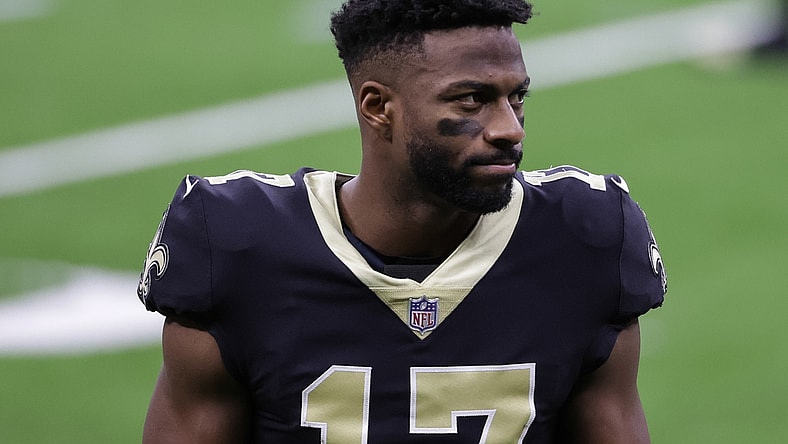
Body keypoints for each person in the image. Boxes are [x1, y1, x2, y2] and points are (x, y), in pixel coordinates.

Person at [137, 0, 667, 442]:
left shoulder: (586, 238)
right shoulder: (234, 246)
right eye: (472, 100)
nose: (510, 128)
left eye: (517, 97)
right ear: (377, 107)